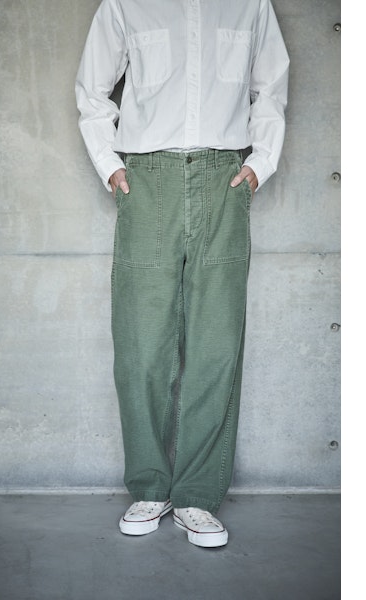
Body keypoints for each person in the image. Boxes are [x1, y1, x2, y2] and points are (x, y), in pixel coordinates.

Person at [75, 0, 289, 548]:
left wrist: (260, 162)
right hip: (147, 178)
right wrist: (111, 166)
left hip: (224, 177)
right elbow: (92, 89)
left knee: (216, 344)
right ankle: (150, 485)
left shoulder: (250, 4)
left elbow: (271, 86)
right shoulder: (124, 3)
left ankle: (197, 495)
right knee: (141, 343)